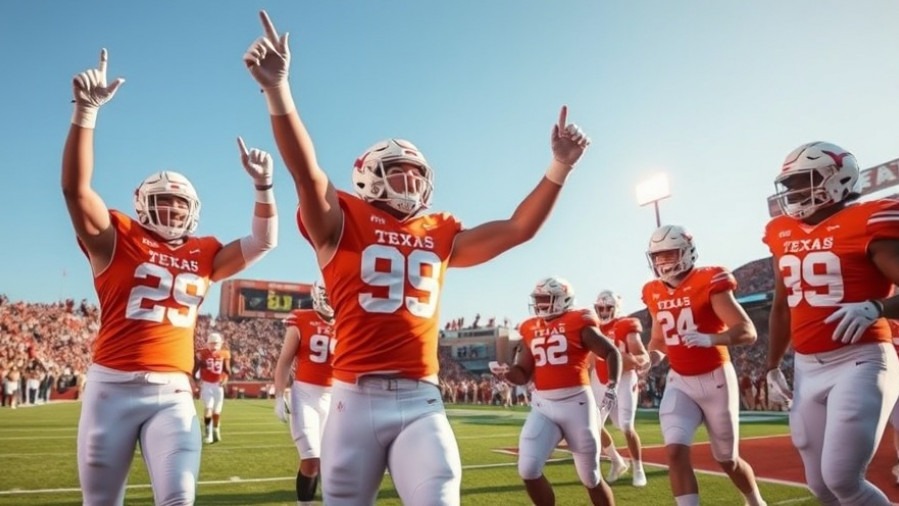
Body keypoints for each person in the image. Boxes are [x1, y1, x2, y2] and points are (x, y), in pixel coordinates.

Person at [242, 10, 591, 505]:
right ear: (368, 175)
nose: (410, 182)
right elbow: (304, 171)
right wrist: (278, 90)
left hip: (421, 397)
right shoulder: (341, 218)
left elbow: (517, 229)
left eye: (415, 173)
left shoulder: (439, 229)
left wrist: (559, 166)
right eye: (398, 172)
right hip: (352, 398)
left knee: (441, 494)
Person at [62, 49, 278, 505]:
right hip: (111, 387)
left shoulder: (204, 252)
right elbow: (75, 191)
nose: (173, 209)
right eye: (165, 201)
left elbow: (262, 243)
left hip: (174, 391)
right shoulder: (117, 235)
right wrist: (86, 112)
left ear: (194, 211)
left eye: (181, 203)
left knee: (179, 498)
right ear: (143, 203)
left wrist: (263, 187)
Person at [764, 141, 899, 505]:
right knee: (821, 487)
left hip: (860, 359)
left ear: (837, 179)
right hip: (807, 367)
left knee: (842, 478)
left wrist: (877, 307)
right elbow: (782, 306)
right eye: (790, 184)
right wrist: (773, 365)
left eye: (803, 181)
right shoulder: (780, 231)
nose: (794, 192)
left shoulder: (866, 220)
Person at [643, 225, 766, 506]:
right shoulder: (652, 291)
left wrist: (712, 338)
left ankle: (755, 501)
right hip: (680, 381)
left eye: (669, 253)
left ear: (687, 252)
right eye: (657, 256)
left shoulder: (709, 279)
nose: (662, 261)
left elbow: (747, 331)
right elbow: (659, 341)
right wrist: (649, 359)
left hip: (715, 379)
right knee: (674, 452)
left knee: (727, 459)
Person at [493, 277, 621, 506]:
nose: (540, 304)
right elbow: (523, 372)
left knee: (590, 477)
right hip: (543, 406)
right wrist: (506, 373)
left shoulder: (578, 321)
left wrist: (612, 386)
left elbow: (611, 352)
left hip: (577, 405)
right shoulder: (530, 327)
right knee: (528, 469)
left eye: (545, 299)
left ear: (563, 300)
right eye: (538, 300)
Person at [273, 281, 336, 506]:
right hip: (306, 395)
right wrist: (279, 395)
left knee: (330, 461)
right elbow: (284, 361)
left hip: (336, 397)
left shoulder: (347, 321)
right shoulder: (301, 318)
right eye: (327, 295)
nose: (331, 300)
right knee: (311, 458)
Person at [591, 289, 649, 487]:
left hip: (624, 378)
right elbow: (589, 359)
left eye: (608, 307)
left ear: (616, 308)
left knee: (625, 425)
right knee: (593, 424)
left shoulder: (625, 325)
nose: (604, 311)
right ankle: (616, 460)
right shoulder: (593, 327)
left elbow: (643, 356)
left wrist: (631, 360)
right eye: (600, 307)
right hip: (600, 378)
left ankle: (638, 467)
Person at [194, 332, 232, 444]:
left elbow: (227, 370)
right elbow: (227, 370)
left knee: (216, 412)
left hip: (217, 385)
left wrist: (225, 379)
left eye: (215, 343)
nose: (214, 345)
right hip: (208, 384)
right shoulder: (203, 353)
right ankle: (209, 433)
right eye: (212, 343)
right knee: (209, 409)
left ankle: (215, 429)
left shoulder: (204, 353)